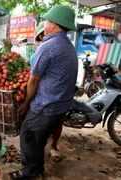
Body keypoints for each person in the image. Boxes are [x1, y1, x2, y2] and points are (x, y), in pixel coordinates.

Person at [8, 5, 78, 179]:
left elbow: (33, 79)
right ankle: (38, 167)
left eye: (46, 21)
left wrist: (25, 103)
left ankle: (30, 172)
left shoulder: (48, 46)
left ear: (53, 24)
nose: (44, 24)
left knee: (28, 133)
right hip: (61, 106)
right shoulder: (68, 46)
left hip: (46, 105)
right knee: (40, 139)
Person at [30, 21, 63, 162]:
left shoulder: (50, 47)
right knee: (44, 128)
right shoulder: (39, 51)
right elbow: (33, 74)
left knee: (51, 124)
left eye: (43, 34)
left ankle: (52, 147)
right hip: (44, 93)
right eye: (39, 36)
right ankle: (42, 152)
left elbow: (35, 79)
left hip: (50, 96)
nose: (42, 38)